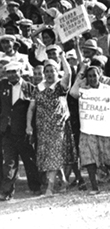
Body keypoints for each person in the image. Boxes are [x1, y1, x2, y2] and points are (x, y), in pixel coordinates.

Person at [26, 60, 76, 195]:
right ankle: (64, 180)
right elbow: (31, 108)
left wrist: (62, 56)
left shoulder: (60, 86)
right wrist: (28, 125)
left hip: (57, 126)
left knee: (53, 155)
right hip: (42, 127)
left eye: (52, 71)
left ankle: (50, 187)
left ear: (56, 72)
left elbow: (69, 73)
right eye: (46, 71)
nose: (49, 74)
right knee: (49, 156)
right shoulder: (38, 88)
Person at [69, 66, 110, 195]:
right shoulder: (83, 90)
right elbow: (72, 92)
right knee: (88, 157)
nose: (92, 78)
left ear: (100, 76)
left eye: (94, 75)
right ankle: (94, 186)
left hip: (103, 128)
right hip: (87, 129)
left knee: (108, 157)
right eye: (89, 76)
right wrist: (80, 74)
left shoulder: (107, 90)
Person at [0, 61, 40, 200]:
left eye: (14, 72)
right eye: (8, 72)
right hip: (7, 131)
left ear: (20, 72)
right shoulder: (2, 86)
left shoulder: (29, 88)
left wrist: (32, 131)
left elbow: (34, 112)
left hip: (23, 131)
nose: (11, 75)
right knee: (9, 162)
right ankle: (6, 191)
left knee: (29, 160)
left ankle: (35, 187)